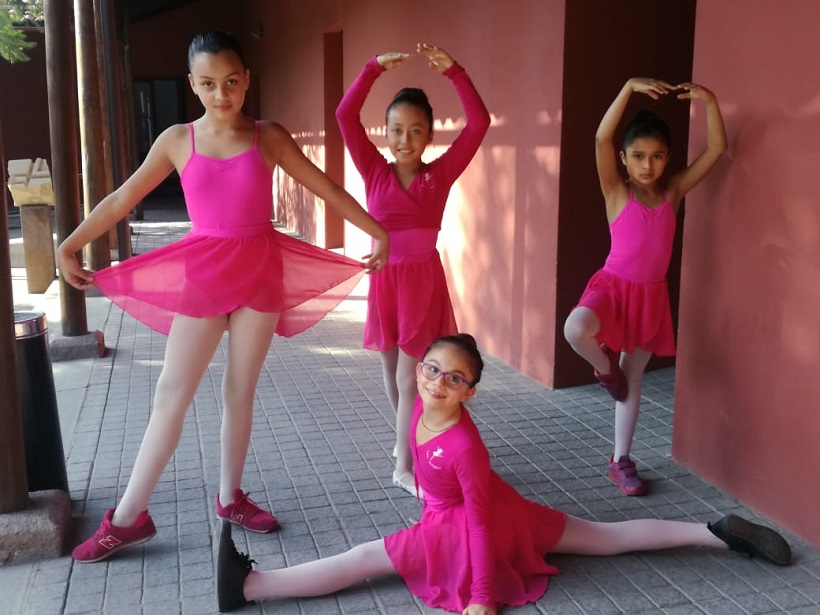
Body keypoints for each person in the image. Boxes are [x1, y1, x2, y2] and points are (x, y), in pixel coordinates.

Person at [58, 30, 389, 563]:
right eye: (209, 84)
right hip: (205, 275)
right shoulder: (176, 139)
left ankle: (230, 496)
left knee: (240, 391)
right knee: (172, 393)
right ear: (192, 84)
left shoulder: (270, 136)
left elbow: (324, 186)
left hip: (260, 275)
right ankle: (127, 518)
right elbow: (123, 196)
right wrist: (69, 243)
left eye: (231, 81)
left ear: (247, 80)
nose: (221, 94)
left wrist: (377, 230)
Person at [215, 333, 791, 614]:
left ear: (472, 391)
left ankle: (250, 588)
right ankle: (711, 531)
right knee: (605, 537)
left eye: (454, 378)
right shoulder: (419, 405)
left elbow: (480, 525)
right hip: (504, 511)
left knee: (364, 559)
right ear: (420, 369)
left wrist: (483, 598)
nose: (437, 381)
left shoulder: (465, 444)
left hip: (473, 529)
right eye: (432, 368)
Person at [335, 44, 490, 497]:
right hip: (385, 279)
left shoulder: (438, 175)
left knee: (410, 375)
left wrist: (456, 73)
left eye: (415, 131)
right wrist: (369, 70)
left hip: (421, 282)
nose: (404, 140)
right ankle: (407, 440)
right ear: (385, 133)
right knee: (390, 370)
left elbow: (479, 124)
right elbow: (346, 116)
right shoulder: (374, 171)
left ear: (428, 137)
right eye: (396, 130)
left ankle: (404, 465)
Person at [563, 78, 728, 496]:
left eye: (656, 156)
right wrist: (628, 88)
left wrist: (709, 101)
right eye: (638, 156)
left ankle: (621, 461)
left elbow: (715, 150)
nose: (648, 165)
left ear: (668, 158)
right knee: (575, 329)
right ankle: (605, 370)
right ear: (623, 159)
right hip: (613, 286)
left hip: (650, 295)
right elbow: (602, 136)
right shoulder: (616, 191)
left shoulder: (673, 191)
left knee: (633, 379)